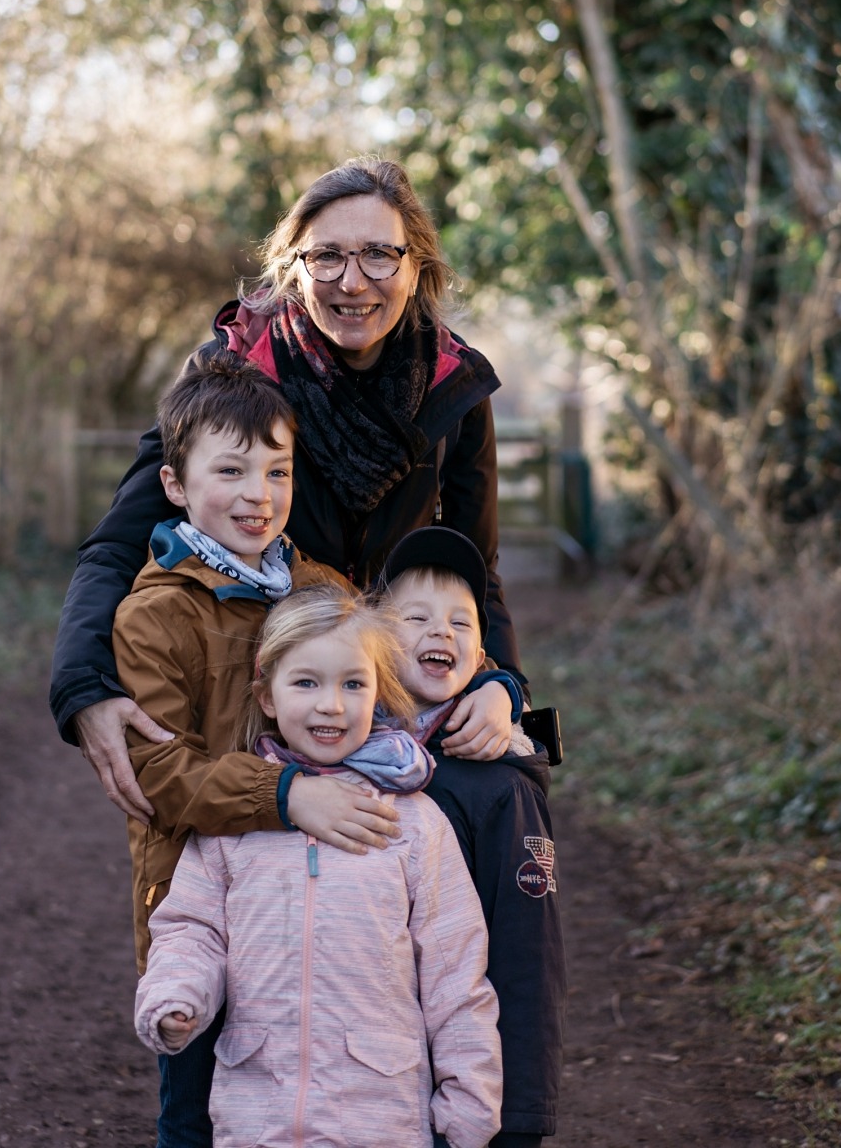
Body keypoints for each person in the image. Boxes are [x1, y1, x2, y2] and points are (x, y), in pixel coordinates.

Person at [55, 158, 522, 829]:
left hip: (396, 686)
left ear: (416, 265)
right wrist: (84, 688)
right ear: (293, 266)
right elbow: (116, 544)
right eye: (326, 255)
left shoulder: (455, 388)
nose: (352, 281)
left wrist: (503, 684)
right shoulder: (233, 375)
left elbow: (477, 573)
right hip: (265, 697)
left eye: (379, 255)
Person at [112, 350, 399, 1140]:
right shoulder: (155, 615)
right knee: (197, 1112)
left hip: (315, 908)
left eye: (277, 472)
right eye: (231, 471)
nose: (258, 495)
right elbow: (161, 775)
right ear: (175, 485)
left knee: (311, 1102)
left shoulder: (323, 593)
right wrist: (284, 793)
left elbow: (397, 690)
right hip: (203, 910)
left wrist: (495, 690)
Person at [136, 585, 504, 1148]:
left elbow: (455, 973)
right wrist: (177, 994)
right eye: (306, 682)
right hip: (258, 1116)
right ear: (266, 696)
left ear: (378, 693)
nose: (331, 704)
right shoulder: (235, 824)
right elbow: (191, 929)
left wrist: (469, 1105)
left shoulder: (414, 823)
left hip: (382, 1119)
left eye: (353, 684)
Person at [380, 528, 565, 1148]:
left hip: (466, 1087)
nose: (443, 632)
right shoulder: (349, 758)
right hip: (366, 1081)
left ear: (483, 653)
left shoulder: (500, 790)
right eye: (417, 616)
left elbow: (528, 957)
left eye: (463, 621)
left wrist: (521, 1116)